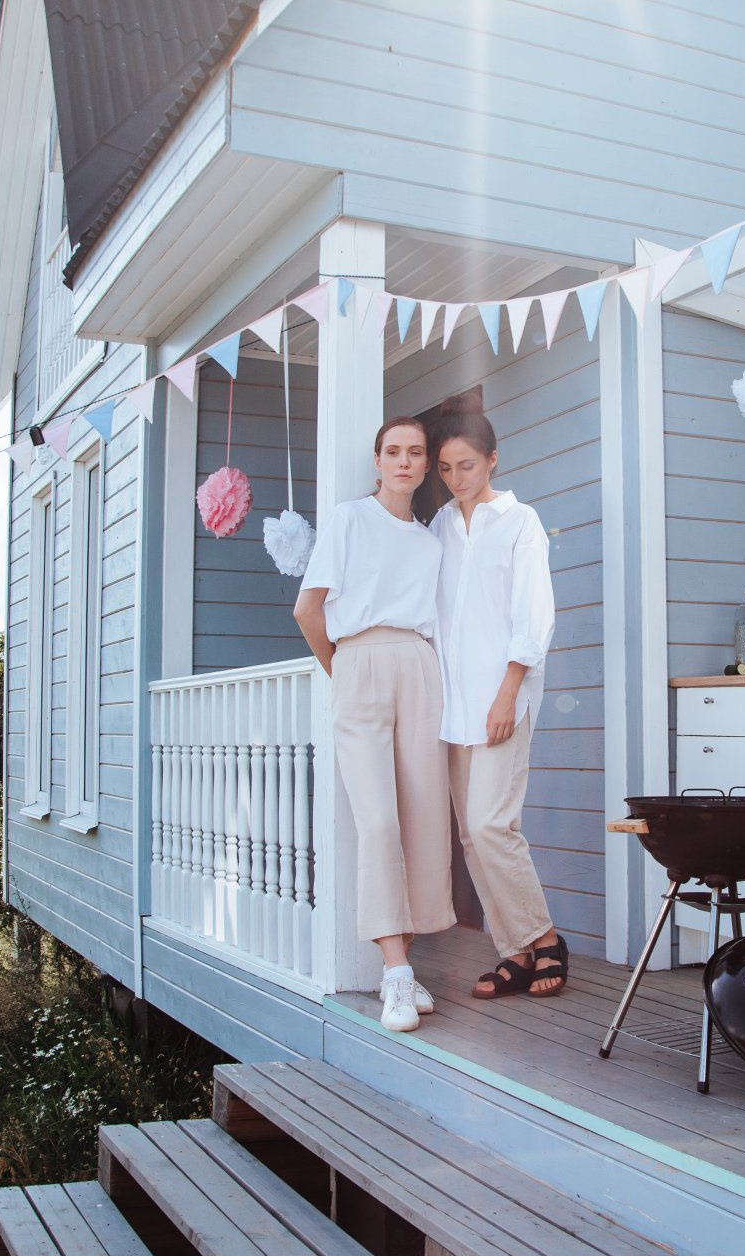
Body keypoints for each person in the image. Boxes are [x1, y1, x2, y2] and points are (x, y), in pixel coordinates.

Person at [293, 416, 453, 1032]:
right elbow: (309, 608)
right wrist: (344, 668)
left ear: (425, 463)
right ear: (377, 460)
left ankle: (404, 969)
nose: (405, 462)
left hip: (419, 664)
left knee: (420, 819)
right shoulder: (349, 520)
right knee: (379, 820)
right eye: (393, 451)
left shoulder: (431, 542)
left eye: (416, 453)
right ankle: (393, 975)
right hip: (358, 660)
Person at [430, 411, 568, 1000]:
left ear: (492, 460)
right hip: (450, 700)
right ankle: (512, 951)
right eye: (445, 469)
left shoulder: (520, 522)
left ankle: (545, 938)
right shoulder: (437, 524)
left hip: (501, 695)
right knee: (470, 835)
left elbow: (533, 615)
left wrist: (509, 690)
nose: (456, 478)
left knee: (492, 824)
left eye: (466, 465)